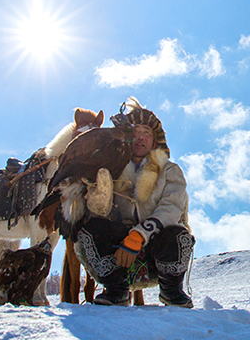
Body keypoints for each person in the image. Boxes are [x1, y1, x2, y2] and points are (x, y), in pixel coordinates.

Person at [75, 98, 194, 307]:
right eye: (135, 132)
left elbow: (171, 207)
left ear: (154, 142)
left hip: (157, 246)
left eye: (146, 132)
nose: (140, 137)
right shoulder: (110, 169)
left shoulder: (170, 171)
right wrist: (98, 199)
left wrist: (139, 235)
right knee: (91, 229)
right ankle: (115, 290)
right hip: (118, 252)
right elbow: (97, 212)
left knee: (178, 235)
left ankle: (171, 290)